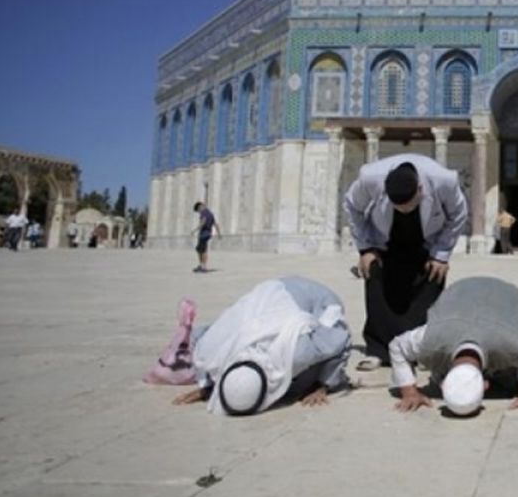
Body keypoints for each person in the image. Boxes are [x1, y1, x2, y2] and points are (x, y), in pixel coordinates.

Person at [344, 153, 468, 370]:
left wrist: (441, 253)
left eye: (408, 206)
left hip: (427, 240)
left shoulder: (444, 180)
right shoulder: (370, 177)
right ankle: (379, 350)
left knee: (432, 280)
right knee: (375, 276)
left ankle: (421, 349)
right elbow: (352, 206)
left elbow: (458, 214)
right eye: (398, 206)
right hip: (385, 239)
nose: (404, 210)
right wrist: (366, 248)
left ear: (420, 189)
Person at [173, 276, 352, 414]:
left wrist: (323, 385)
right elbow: (198, 334)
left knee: (325, 333)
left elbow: (341, 339)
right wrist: (207, 385)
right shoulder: (209, 351)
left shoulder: (298, 353)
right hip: (269, 294)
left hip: (315, 297)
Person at [387, 276, 518, 415]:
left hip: (506, 294)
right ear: (485, 385)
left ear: (485, 385)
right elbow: (397, 346)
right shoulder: (430, 338)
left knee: (509, 376)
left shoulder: (512, 345)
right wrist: (408, 391)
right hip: (459, 292)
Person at [191, 201, 221, 272]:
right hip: (208, 233)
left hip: (204, 234)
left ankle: (203, 267)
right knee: (200, 249)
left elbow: (203, 222)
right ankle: (202, 265)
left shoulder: (203, 212)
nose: (199, 212)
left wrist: (194, 230)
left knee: (203, 250)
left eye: (198, 210)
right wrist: (219, 234)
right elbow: (216, 224)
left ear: (200, 207)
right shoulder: (210, 213)